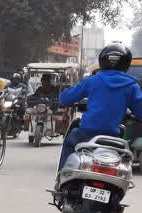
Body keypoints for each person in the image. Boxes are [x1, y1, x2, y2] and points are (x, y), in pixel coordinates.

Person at [57, 43, 142, 171]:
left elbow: (65, 98)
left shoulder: (91, 81)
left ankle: (61, 178)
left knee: (69, 143)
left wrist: (64, 94)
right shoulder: (131, 85)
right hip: (113, 136)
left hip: (85, 134)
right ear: (126, 63)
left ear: (102, 60)